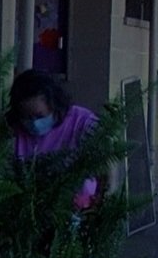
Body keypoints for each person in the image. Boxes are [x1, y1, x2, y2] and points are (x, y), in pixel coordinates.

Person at [10, 69, 100, 210]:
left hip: (82, 209)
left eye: (39, 116)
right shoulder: (13, 133)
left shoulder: (82, 123)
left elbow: (109, 160)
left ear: (54, 105)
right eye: (27, 117)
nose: (34, 123)